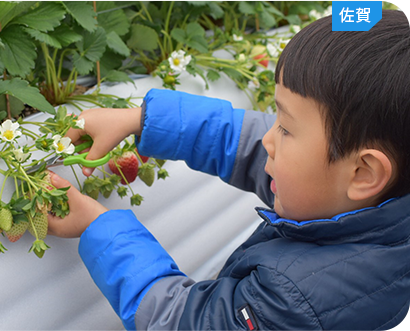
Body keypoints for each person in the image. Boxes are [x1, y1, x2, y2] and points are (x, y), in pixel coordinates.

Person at [47, 10, 410, 331]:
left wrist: (100, 229)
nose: (269, 137)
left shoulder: (296, 304)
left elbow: (181, 321)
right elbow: (247, 143)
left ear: (364, 173)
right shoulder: (369, 203)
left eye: (284, 127)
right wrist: (142, 119)